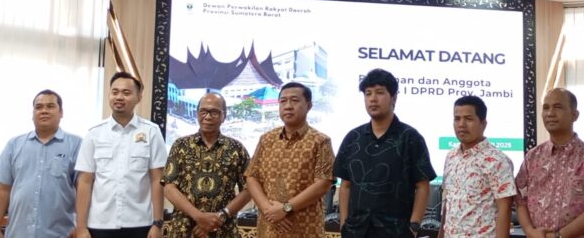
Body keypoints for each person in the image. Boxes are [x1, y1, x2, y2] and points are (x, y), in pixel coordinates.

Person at [334, 68, 437, 238]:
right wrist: (344, 225)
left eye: (379, 92)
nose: (373, 99)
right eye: (368, 93)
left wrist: (413, 227)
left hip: (396, 231)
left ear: (394, 97)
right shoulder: (353, 138)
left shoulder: (410, 137)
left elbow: (422, 185)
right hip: (356, 231)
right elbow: (346, 185)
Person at [74, 71, 167, 238]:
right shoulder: (94, 133)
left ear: (139, 97)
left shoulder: (151, 132)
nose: (119, 97)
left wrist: (157, 223)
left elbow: (157, 180)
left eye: (126, 93)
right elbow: (85, 181)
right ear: (109, 95)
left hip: (140, 224)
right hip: (100, 224)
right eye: (114, 92)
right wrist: (81, 227)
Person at [515, 88, 584, 238]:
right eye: (546, 108)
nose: (550, 113)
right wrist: (530, 231)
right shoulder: (532, 157)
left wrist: (558, 236)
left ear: (575, 115)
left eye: (558, 107)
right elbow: (520, 200)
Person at [244, 82, 335, 238]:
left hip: (304, 229)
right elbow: (251, 176)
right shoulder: (266, 139)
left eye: (294, 100)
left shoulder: (320, 141)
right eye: (283, 101)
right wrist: (269, 210)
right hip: (269, 227)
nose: (288, 106)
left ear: (308, 106)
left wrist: (285, 209)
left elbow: (323, 183)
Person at [0, 90, 82, 238]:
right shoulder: (14, 145)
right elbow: (3, 190)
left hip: (60, 234)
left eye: (50, 106)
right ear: (32, 114)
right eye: (38, 107)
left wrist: (81, 226)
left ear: (61, 112)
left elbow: (83, 190)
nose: (44, 110)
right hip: (18, 233)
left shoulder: (76, 144)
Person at [162, 92, 251, 238]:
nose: (208, 117)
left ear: (224, 116)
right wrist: (199, 217)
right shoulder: (180, 145)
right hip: (184, 229)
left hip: (223, 230)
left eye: (214, 112)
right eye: (203, 111)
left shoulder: (236, 148)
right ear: (197, 114)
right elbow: (169, 188)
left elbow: (249, 189)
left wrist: (221, 216)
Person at [438, 96, 516, 238]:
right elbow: (448, 203)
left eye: (468, 119)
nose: (461, 124)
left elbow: (504, 211)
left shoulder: (498, 161)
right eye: (457, 119)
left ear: (483, 124)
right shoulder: (451, 156)